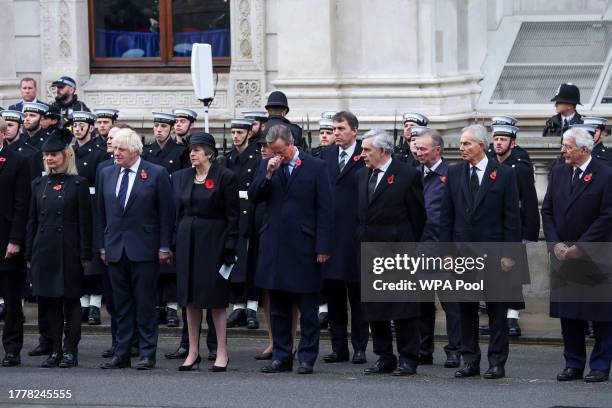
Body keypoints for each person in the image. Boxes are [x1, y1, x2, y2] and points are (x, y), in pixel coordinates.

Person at [249, 124, 333, 374]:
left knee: (308, 308)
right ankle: (281, 355)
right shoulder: (267, 166)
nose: (277, 155)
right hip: (275, 246)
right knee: (278, 308)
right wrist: (268, 175)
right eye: (272, 151)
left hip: (304, 247)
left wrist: (323, 246)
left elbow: (325, 209)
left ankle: (307, 357)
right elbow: (254, 197)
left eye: (280, 151)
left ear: (291, 144)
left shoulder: (316, 167)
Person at [439, 124, 521, 380]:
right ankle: (469, 360)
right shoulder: (454, 173)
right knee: (466, 309)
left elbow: (512, 217)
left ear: (481, 145)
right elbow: (446, 216)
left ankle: (496, 361)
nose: (461, 148)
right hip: (463, 252)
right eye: (461, 144)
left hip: (494, 253)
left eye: (466, 144)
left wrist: (510, 253)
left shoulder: (504, 174)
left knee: (497, 310)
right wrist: (447, 252)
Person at [97, 128, 174, 370]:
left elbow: (166, 213)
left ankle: (146, 353)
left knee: (144, 303)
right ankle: (121, 353)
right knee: (121, 305)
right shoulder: (106, 173)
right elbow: (100, 213)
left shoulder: (156, 173)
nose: (115, 153)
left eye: (121, 149)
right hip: (115, 249)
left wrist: (164, 246)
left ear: (135, 151)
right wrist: (102, 245)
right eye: (114, 148)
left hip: (145, 249)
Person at [541, 127, 612, 383]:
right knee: (569, 314)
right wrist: (555, 244)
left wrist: (580, 247)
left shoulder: (605, 174)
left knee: (600, 314)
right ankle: (573, 363)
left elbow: (607, 216)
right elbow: (547, 211)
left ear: (584, 149)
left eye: (567, 147)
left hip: (595, 255)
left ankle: (600, 366)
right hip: (563, 256)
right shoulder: (559, 171)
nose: (562, 151)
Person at [357, 129, 426, 376]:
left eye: (367, 150)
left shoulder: (407, 175)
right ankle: (384, 356)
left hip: (399, 250)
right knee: (376, 309)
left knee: (403, 309)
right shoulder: (362, 175)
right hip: (371, 250)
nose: (362, 154)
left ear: (383, 151)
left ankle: (408, 358)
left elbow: (418, 216)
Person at [25, 128, 92, 368]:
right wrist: (28, 252)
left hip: (69, 249)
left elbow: (86, 222)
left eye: (54, 154)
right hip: (44, 248)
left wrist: (85, 254)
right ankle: (54, 349)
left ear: (66, 155)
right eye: (46, 155)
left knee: (71, 301)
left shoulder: (78, 183)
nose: (50, 158)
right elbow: (32, 220)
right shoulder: (38, 183)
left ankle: (70, 350)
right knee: (49, 301)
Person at [174, 132, 238, 372]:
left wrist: (230, 246)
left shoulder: (225, 177)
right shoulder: (184, 176)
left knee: (215, 299)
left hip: (214, 241)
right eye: (191, 149)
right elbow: (179, 211)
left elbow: (233, 216)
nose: (193, 153)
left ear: (209, 153)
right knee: (189, 299)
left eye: (198, 149)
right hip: (187, 240)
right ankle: (193, 350)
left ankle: (221, 350)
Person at [319, 111, 369, 365]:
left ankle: (360, 347)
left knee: (358, 298)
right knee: (334, 297)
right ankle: (339, 348)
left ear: (354, 131)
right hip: (330, 238)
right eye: (333, 128)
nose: (335, 133)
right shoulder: (325, 155)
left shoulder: (365, 156)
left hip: (355, 237)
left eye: (340, 128)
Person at [413, 128, 462, 368]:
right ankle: (424, 349)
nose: (418, 152)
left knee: (451, 303)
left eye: (423, 148)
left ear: (437, 150)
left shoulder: (451, 175)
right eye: (416, 148)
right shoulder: (414, 174)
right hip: (419, 249)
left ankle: (455, 350)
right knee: (422, 303)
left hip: (444, 251)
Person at [490, 124, 540, 336]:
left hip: (514, 227)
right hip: (492, 229)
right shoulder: (489, 163)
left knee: (513, 276)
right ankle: (499, 318)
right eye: (496, 138)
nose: (499, 142)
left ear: (513, 142)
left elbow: (529, 201)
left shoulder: (519, 167)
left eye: (503, 139)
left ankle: (512, 318)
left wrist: (529, 233)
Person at [143, 112, 185, 327]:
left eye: (163, 126)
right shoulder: (147, 151)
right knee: (153, 262)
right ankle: (157, 305)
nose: (159, 130)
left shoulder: (179, 152)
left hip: (172, 208)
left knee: (170, 262)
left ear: (171, 129)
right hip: (152, 210)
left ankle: (171, 307)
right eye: (156, 126)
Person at [224, 119, 262, 330]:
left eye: (240, 132)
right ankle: (237, 306)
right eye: (234, 132)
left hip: (250, 211)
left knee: (250, 262)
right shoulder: (227, 159)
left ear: (249, 134)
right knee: (234, 261)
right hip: (233, 213)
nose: (236, 136)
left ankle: (252, 308)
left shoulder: (255, 159)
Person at [72, 111, 110, 325]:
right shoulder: (70, 151)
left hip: (93, 205)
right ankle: (83, 302)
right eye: (75, 125)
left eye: (82, 125)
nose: (78, 129)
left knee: (94, 254)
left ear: (90, 128)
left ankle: (94, 304)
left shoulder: (99, 153)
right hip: (74, 205)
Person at [0, 117, 31, 367]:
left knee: (11, 301)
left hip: (6, 241)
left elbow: (22, 205)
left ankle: (12, 349)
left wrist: (15, 240)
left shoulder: (17, 161)